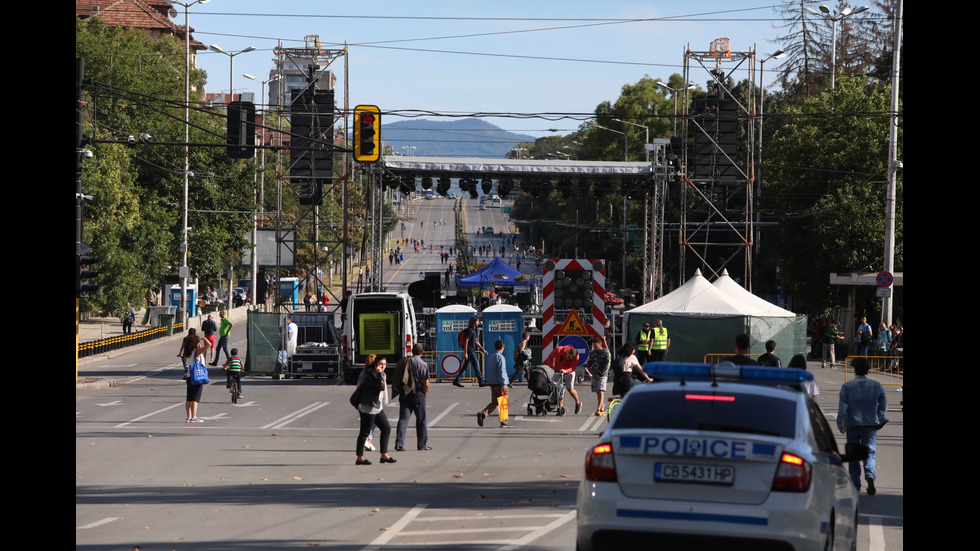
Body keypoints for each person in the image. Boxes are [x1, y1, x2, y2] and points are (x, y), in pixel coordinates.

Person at [837, 357, 888, 495]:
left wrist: (840, 423)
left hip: (852, 424)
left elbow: (843, 407)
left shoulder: (847, 386)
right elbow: (883, 402)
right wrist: (879, 415)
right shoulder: (876, 385)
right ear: (868, 370)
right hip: (870, 424)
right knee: (869, 452)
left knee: (853, 456)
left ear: (854, 370)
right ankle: (870, 475)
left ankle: (855, 484)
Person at [355, 356, 396, 465]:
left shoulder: (379, 374)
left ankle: (384, 455)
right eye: (380, 364)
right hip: (368, 407)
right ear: (375, 364)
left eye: (385, 364)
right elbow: (381, 386)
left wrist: (380, 374)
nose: (383, 367)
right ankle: (360, 457)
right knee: (364, 432)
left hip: (377, 407)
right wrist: (379, 374)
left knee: (386, 428)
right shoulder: (371, 374)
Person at [394, 344, 431, 451]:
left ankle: (399, 443)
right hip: (418, 393)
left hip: (405, 392)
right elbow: (426, 383)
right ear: (422, 352)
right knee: (421, 420)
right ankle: (422, 444)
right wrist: (424, 393)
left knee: (403, 418)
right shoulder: (423, 364)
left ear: (412, 351)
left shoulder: (405, 362)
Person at [477, 340, 511, 428]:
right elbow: (502, 371)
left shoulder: (492, 356)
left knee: (494, 402)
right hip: (499, 383)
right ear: (502, 347)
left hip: (492, 383)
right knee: (504, 402)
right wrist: (504, 384)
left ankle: (483, 414)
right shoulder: (501, 358)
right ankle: (503, 422)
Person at [454, 316, 487, 387]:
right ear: (474, 322)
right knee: (476, 365)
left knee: (465, 366)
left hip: (471, 350)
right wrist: (465, 353)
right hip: (470, 350)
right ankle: (481, 381)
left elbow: (476, 341)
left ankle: (457, 380)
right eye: (478, 321)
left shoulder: (474, 330)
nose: (479, 322)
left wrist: (483, 349)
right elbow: (466, 341)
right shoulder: (470, 330)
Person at [550, 344, 582, 416]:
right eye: (569, 357)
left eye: (571, 359)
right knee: (558, 388)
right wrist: (551, 368)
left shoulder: (576, 356)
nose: (569, 359)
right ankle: (560, 407)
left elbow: (573, 368)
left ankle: (577, 402)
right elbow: (550, 358)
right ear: (567, 352)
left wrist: (566, 371)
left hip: (569, 372)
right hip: (558, 370)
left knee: (570, 389)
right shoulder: (559, 350)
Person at [582, 338, 611, 416]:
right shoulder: (592, 352)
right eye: (594, 346)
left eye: (596, 346)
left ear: (600, 344)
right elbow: (590, 361)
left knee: (601, 390)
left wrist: (601, 374)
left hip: (602, 375)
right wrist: (587, 366)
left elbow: (607, 364)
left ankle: (598, 409)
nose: (595, 347)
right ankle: (602, 408)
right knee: (597, 391)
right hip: (594, 374)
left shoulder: (605, 352)